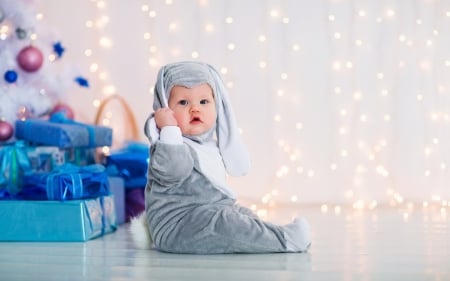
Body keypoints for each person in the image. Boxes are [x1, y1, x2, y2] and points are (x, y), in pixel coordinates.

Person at [130, 61, 311, 254]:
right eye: (183, 102)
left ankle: (272, 235)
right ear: (165, 107)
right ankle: (287, 241)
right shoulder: (168, 144)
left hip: (210, 213)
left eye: (203, 101)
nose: (195, 109)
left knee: (242, 215)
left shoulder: (208, 145)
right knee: (226, 223)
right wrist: (169, 129)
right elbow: (174, 171)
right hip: (177, 226)